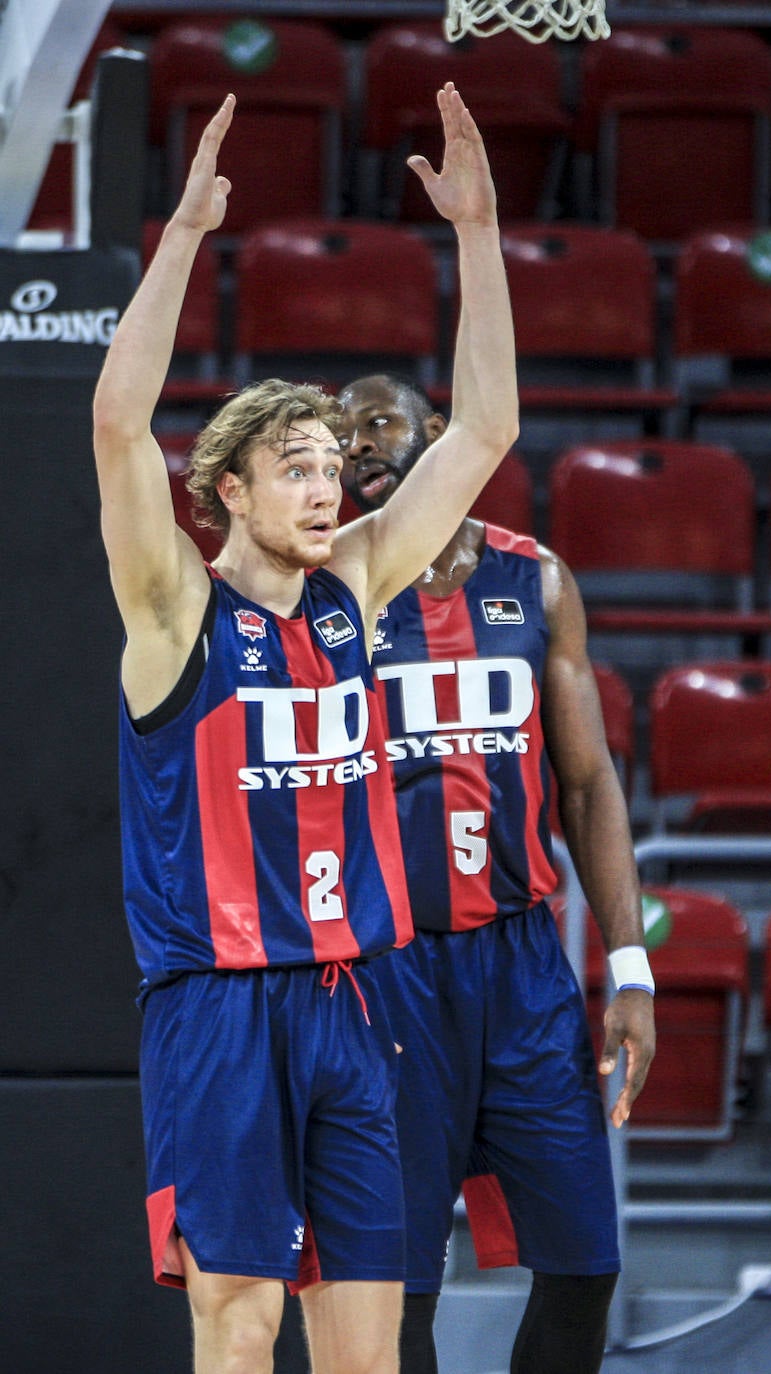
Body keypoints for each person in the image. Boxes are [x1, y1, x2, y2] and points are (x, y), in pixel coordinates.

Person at [91, 84, 517, 1374]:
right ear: (230, 489)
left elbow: (486, 429)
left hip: (353, 998)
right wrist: (183, 236)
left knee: (368, 1347)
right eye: (297, 467)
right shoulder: (173, 609)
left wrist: (479, 234)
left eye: (333, 465)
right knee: (240, 1324)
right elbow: (116, 426)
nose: (328, 486)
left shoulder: (357, 588)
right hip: (221, 1010)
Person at [335, 372, 657, 1374]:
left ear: (440, 431)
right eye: (341, 438)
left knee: (584, 1267)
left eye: (376, 423)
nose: (358, 447)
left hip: (522, 970)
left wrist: (631, 968)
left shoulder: (537, 579)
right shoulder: (331, 592)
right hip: (387, 972)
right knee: (395, 1290)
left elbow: (589, 785)